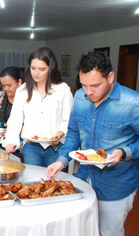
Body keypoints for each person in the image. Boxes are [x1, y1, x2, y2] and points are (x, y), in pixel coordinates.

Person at [46, 51, 139, 236]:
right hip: (84, 178)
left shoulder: (132, 102)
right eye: (84, 85)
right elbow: (73, 132)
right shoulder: (80, 97)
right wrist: (62, 160)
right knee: (82, 229)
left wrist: (124, 151)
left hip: (116, 185)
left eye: (95, 85)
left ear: (110, 77)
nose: (89, 92)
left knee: (108, 231)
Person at [3, 47, 73, 167]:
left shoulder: (62, 89)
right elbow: (15, 119)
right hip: (31, 147)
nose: (36, 73)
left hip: (54, 147)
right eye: (33, 68)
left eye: (42, 69)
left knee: (53, 183)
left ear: (50, 68)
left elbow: (68, 119)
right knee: (33, 182)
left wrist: (61, 133)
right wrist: (11, 141)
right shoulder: (23, 90)